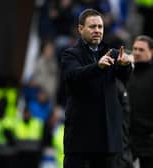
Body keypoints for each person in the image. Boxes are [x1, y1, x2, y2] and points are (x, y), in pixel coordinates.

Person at [61, 8, 133, 168]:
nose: (97, 31)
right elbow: (73, 76)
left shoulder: (112, 53)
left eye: (100, 27)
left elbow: (124, 79)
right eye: (92, 27)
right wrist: (97, 67)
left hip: (107, 142)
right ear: (80, 29)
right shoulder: (70, 55)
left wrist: (125, 66)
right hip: (81, 141)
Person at [127, 35, 153, 168]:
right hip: (129, 139)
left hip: (149, 141)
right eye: (135, 49)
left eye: (141, 50)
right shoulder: (127, 73)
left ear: (151, 52)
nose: (136, 52)